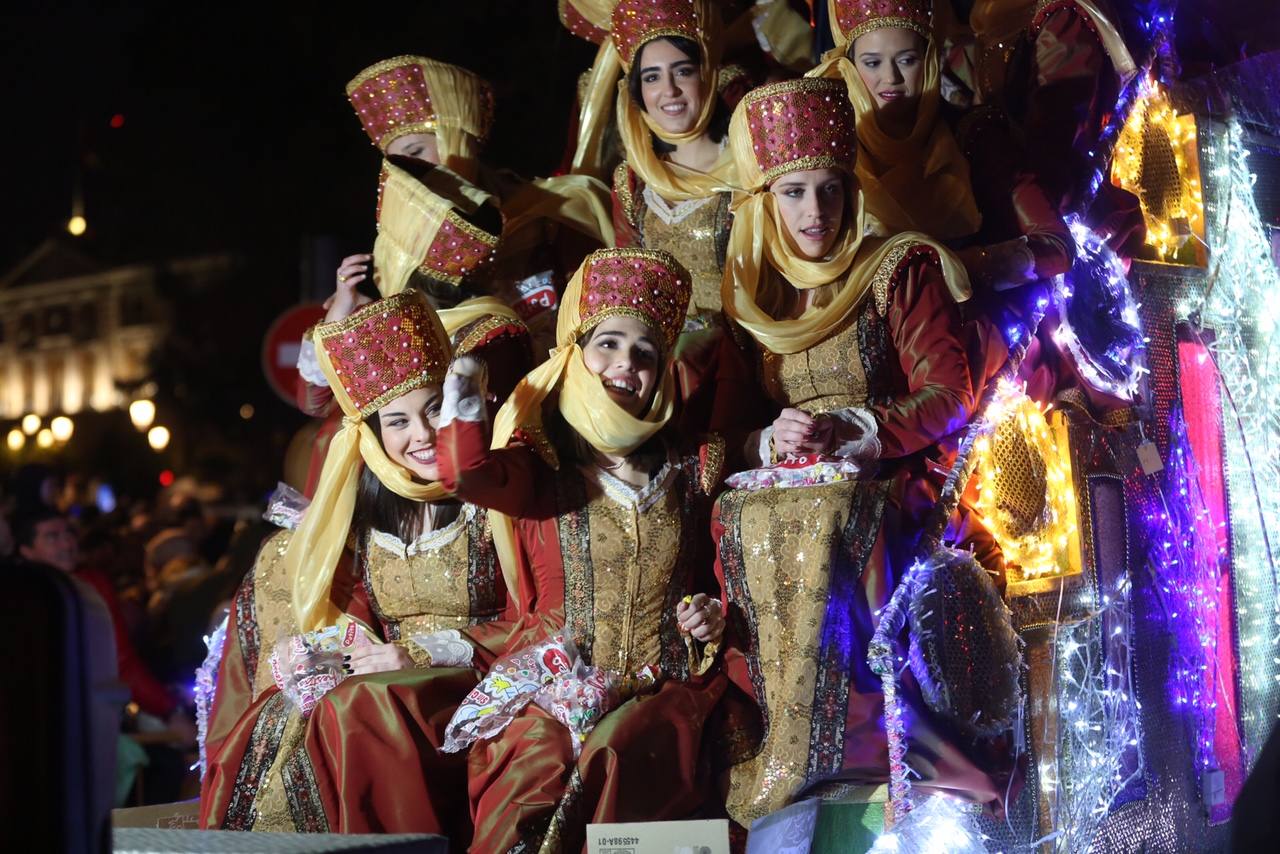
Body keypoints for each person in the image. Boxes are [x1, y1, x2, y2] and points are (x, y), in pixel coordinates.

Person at [711, 77, 1005, 825]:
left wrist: (852, 428)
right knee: (732, 521)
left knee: (835, 513)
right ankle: (780, 743)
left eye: (831, 191)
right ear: (764, 201)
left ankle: (854, 749)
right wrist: (767, 437)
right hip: (779, 492)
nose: (816, 213)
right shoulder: (752, 296)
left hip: (892, 482)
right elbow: (729, 427)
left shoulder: (895, 270)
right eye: (794, 194)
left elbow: (949, 396)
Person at [436, 247, 728, 853]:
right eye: (609, 343)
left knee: (621, 749)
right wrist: (462, 393)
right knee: (532, 766)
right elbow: (465, 474)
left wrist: (708, 613)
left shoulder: (696, 465)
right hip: (554, 684)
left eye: (645, 353)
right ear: (573, 353)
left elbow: (716, 576)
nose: (626, 363)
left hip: (662, 686)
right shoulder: (541, 464)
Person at [199, 291, 512, 842]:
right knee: (286, 715)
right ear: (373, 435)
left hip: (473, 674)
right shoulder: (365, 513)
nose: (419, 435)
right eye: (397, 422)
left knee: (367, 705)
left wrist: (417, 654)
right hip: (384, 674)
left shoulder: (494, 501)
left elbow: (533, 615)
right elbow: (353, 605)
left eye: (433, 410)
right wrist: (341, 650)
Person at [296, 158, 533, 496]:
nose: (378, 270)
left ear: (400, 262)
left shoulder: (493, 334)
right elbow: (316, 402)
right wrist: (339, 320)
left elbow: (471, 444)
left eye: (383, 252)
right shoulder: (389, 328)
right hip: (393, 501)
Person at [608, 0, 754, 433]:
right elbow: (626, 291)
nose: (668, 90)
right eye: (652, 77)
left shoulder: (747, 164)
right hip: (660, 354)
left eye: (683, 71)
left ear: (707, 74)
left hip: (744, 346)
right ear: (637, 92)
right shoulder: (633, 181)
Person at [810, 0, 981, 243]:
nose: (891, 77)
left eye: (907, 60)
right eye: (872, 63)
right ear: (849, 68)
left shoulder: (973, 135)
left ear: (928, 59)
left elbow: (1047, 241)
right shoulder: (829, 153)